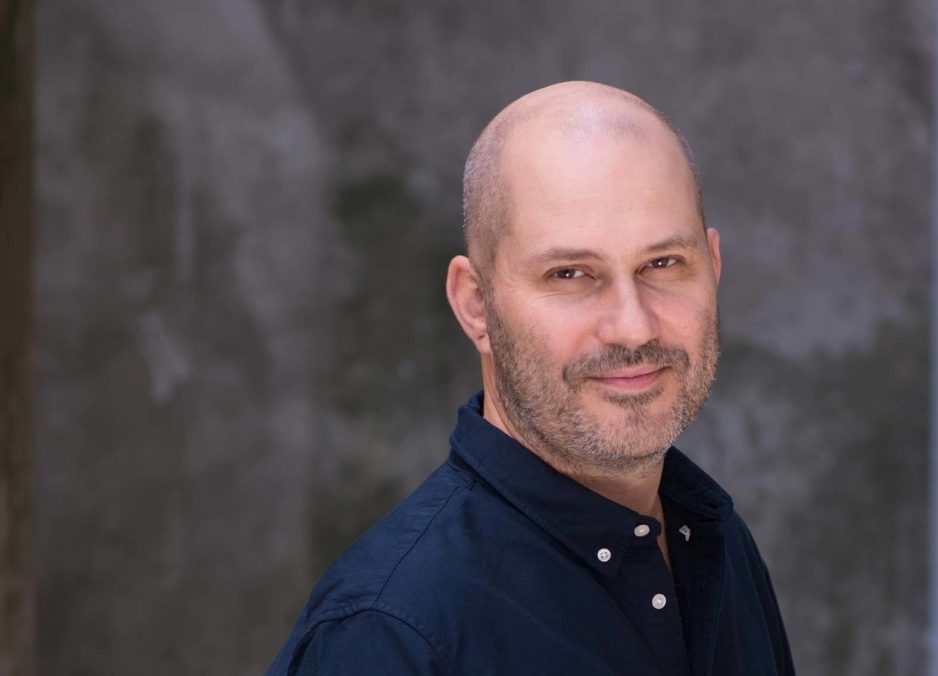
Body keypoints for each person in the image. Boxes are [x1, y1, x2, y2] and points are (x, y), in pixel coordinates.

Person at [266, 81, 794, 675]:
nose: (633, 328)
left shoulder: (716, 543)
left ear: (713, 266)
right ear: (476, 305)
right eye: (570, 274)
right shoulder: (390, 634)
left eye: (663, 263)